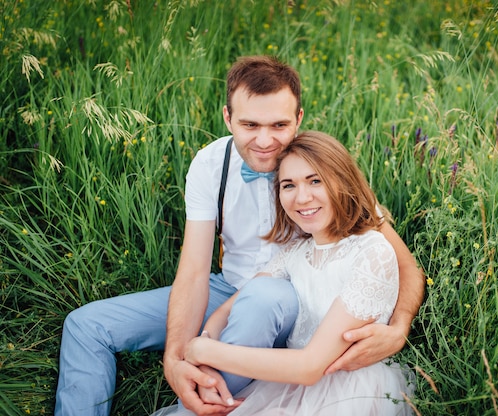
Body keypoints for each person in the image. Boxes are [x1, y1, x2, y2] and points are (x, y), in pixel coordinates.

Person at [55, 56, 424, 416]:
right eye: (250, 125)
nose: (264, 140)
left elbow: (403, 264)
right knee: (87, 326)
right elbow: (195, 270)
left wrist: (398, 329)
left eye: (279, 125)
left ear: (299, 119)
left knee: (263, 298)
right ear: (228, 118)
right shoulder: (210, 165)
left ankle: (209, 401)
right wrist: (176, 356)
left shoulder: (320, 169)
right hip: (229, 290)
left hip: (298, 305)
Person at [155, 130, 415, 415]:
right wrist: (204, 346)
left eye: (315, 181)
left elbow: (310, 367)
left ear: (342, 181)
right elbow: (226, 311)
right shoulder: (296, 253)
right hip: (291, 381)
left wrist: (206, 352)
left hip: (345, 390)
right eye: (288, 185)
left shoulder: (371, 251)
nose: (302, 197)